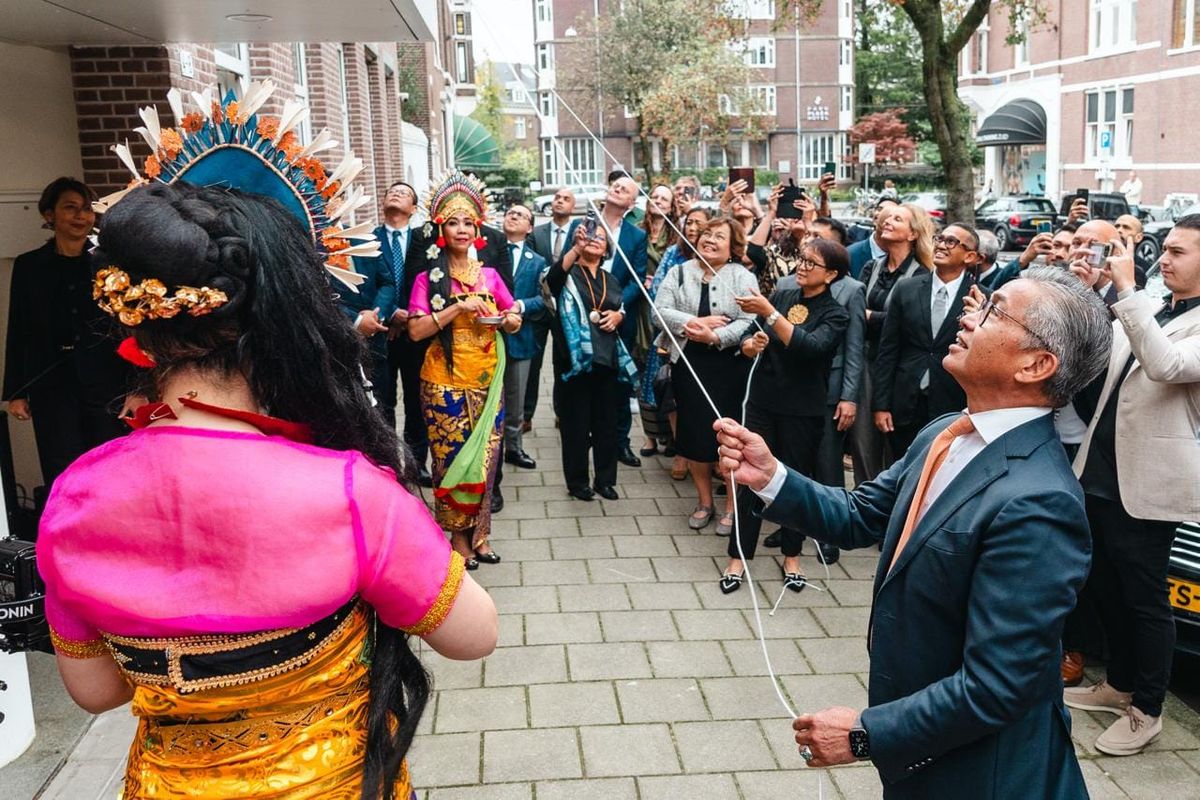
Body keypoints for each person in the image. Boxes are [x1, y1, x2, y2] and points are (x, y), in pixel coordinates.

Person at [37, 87, 498, 800]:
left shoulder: (73, 496)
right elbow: (474, 635)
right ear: (293, 322)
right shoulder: (349, 492)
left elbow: (95, 691)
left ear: (144, 333)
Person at [715, 267, 1113, 800]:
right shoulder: (945, 432)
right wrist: (771, 477)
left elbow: (996, 687)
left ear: (1036, 365)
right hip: (925, 742)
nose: (969, 315)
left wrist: (864, 735)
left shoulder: (1040, 501)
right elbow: (861, 515)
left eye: (993, 310)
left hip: (978, 772)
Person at [1066, 215, 1200, 756]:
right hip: (1099, 472)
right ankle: (1118, 683)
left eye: (1177, 252)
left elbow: (1165, 365)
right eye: (1162, 249)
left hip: (1147, 481)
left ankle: (1147, 709)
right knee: (1102, 585)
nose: (1162, 259)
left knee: (1146, 599)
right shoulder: (1155, 307)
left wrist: (1126, 289)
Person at [408, 171, 521, 570]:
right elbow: (417, 329)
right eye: (454, 221)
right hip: (443, 383)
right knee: (451, 460)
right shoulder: (429, 279)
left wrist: (506, 320)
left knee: (487, 460)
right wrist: (457, 308)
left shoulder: (489, 275)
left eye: (468, 222)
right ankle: (458, 539)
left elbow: (512, 314)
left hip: (487, 381)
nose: (462, 229)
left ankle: (482, 534)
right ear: (441, 227)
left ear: (478, 229)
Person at [725, 238, 850, 593]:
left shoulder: (835, 313)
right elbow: (751, 337)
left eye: (812, 263)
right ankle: (737, 555)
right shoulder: (781, 296)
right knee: (747, 478)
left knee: (793, 481)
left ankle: (792, 554)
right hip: (763, 402)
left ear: (831, 275)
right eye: (802, 259)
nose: (802, 266)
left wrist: (770, 314)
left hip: (802, 410)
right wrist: (750, 346)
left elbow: (810, 348)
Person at [3, 177, 129, 495]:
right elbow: (20, 327)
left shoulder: (107, 264)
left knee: (110, 466)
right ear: (49, 215)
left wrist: (138, 386)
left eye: (86, 209)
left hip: (106, 383)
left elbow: (129, 324)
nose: (81, 216)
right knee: (64, 469)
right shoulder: (30, 266)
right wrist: (17, 391)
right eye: (70, 208)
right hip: (51, 386)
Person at [654, 217, 757, 534]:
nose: (709, 239)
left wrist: (717, 336)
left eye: (719, 236)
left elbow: (750, 319)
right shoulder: (679, 271)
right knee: (695, 435)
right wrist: (695, 324)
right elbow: (658, 310)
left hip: (730, 367)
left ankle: (731, 507)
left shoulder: (741, 275)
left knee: (728, 438)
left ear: (733, 246)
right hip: (688, 363)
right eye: (706, 234)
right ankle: (704, 502)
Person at [543, 223, 638, 501]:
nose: (595, 240)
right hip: (574, 360)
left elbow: (619, 307)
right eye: (589, 236)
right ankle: (577, 482)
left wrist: (619, 317)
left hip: (608, 358)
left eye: (601, 238)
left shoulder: (612, 279)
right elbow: (551, 281)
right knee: (576, 424)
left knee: (606, 423)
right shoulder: (568, 273)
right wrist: (575, 249)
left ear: (608, 248)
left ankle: (605, 481)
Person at [873, 223, 984, 457]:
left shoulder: (981, 298)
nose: (942, 245)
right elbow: (888, 350)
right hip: (905, 401)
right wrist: (881, 405)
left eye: (951, 241)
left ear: (970, 256)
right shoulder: (907, 289)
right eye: (939, 239)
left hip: (952, 402)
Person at [565, 175, 648, 468]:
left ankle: (620, 442)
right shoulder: (581, 226)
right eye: (616, 185)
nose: (618, 188)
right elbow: (565, 263)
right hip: (579, 318)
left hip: (616, 320)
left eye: (625, 189)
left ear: (632, 203)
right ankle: (584, 437)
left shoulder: (636, 236)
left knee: (619, 384)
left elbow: (638, 279)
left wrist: (619, 309)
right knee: (584, 382)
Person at [848, 203, 933, 483]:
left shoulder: (922, 275)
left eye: (898, 219)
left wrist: (872, 316)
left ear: (912, 234)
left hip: (900, 369)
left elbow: (911, 324)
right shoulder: (872, 267)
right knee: (863, 443)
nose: (888, 221)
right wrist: (877, 318)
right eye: (887, 217)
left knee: (894, 443)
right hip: (865, 363)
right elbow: (853, 312)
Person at [645, 206, 714, 482]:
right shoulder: (675, 254)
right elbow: (657, 291)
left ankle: (711, 453)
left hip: (713, 341)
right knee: (673, 394)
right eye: (689, 222)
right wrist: (689, 321)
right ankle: (681, 450)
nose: (693, 228)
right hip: (676, 336)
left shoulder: (724, 263)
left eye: (700, 224)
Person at [373, 181, 432, 486]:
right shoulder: (369, 239)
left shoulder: (426, 239)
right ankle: (388, 462)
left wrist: (412, 313)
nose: (396, 194)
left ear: (414, 207)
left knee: (415, 400)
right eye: (392, 191)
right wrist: (389, 311)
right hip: (380, 331)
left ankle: (415, 463)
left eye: (405, 193)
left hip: (416, 332)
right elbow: (365, 282)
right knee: (382, 400)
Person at [499, 204, 546, 472]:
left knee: (516, 399)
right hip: (488, 337)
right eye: (510, 213)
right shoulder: (489, 252)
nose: (513, 216)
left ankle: (514, 448)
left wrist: (521, 305)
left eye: (521, 215)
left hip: (521, 338)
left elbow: (545, 299)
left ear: (529, 228)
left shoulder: (537, 261)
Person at [525, 187, 575, 431]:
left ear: (573, 206)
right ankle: (526, 414)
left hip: (567, 307)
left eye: (566, 199)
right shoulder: (538, 233)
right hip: (540, 305)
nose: (560, 201)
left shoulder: (579, 232)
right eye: (557, 198)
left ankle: (562, 411)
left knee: (562, 360)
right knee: (533, 362)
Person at [637, 183, 679, 457]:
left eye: (665, 198)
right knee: (643, 372)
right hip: (639, 307)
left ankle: (670, 436)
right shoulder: (638, 232)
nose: (658, 201)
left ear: (672, 206)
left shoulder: (676, 237)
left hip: (663, 307)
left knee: (661, 374)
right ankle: (649, 437)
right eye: (655, 196)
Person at [846, 197, 899, 280]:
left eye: (890, 212)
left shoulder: (907, 256)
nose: (881, 214)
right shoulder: (850, 254)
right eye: (879, 209)